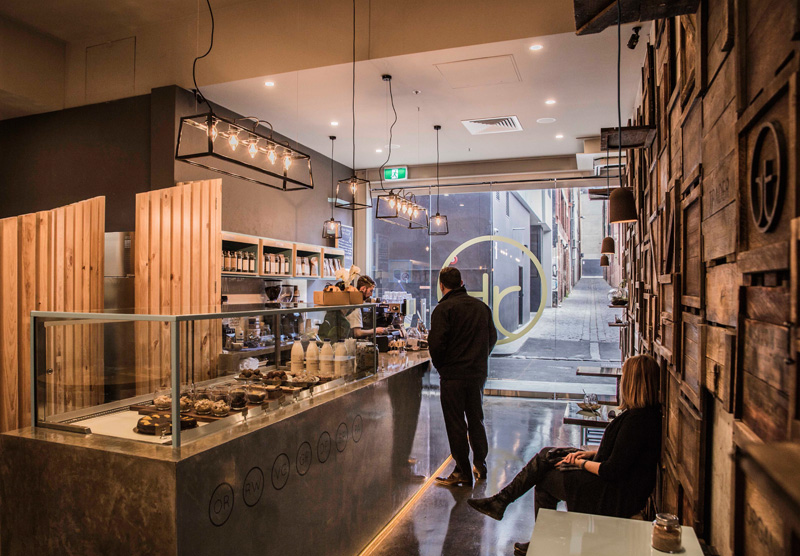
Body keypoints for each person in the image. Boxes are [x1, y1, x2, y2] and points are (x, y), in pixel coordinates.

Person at [467, 354, 662, 556]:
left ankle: (512, 511)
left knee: (545, 480)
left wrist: (580, 464)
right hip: (615, 485)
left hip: (615, 494)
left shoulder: (637, 422)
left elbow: (611, 470)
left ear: (632, 384)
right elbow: (622, 453)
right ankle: (505, 504)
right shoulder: (642, 416)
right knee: (548, 454)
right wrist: (587, 455)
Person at [428, 266, 497, 487]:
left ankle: (462, 472)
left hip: (453, 376)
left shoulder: (443, 309)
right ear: (461, 282)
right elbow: (492, 338)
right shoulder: (481, 307)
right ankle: (480, 465)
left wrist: (443, 368)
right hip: (477, 374)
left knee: (456, 423)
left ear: (441, 285)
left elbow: (436, 345)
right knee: (476, 419)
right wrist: (479, 359)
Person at [318, 275, 386, 341]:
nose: (371, 294)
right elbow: (357, 333)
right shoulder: (355, 307)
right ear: (363, 289)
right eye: (371, 291)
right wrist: (376, 330)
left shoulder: (350, 307)